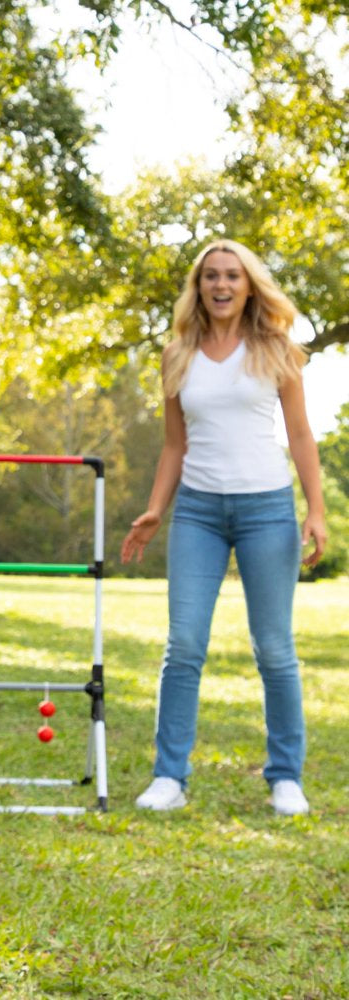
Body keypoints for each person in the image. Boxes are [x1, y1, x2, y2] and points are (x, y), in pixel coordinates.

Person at [121, 238, 327, 816]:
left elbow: (302, 435)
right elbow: (173, 445)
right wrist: (157, 508)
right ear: (198, 286)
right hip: (198, 512)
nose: (221, 285)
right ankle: (170, 777)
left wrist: (316, 509)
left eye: (232, 276)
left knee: (274, 648)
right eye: (210, 276)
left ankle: (285, 776)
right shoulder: (177, 355)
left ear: (248, 284)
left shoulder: (277, 350)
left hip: (266, 508)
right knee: (183, 644)